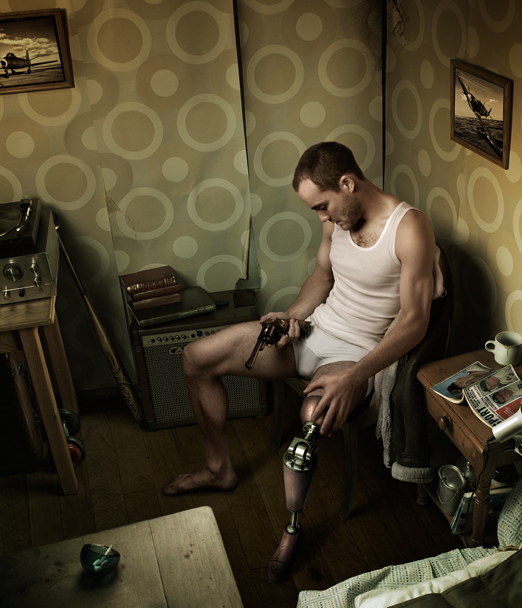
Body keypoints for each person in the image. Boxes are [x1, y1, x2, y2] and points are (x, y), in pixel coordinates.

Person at [162, 141, 438, 496]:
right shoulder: (338, 219)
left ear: (347, 183)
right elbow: (322, 278)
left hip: (355, 354)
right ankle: (218, 469)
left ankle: (294, 518)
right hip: (313, 330)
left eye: (322, 206)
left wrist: (356, 376)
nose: (322, 217)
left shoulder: (409, 227)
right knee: (195, 358)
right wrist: (290, 317)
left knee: (312, 414)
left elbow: (415, 321)